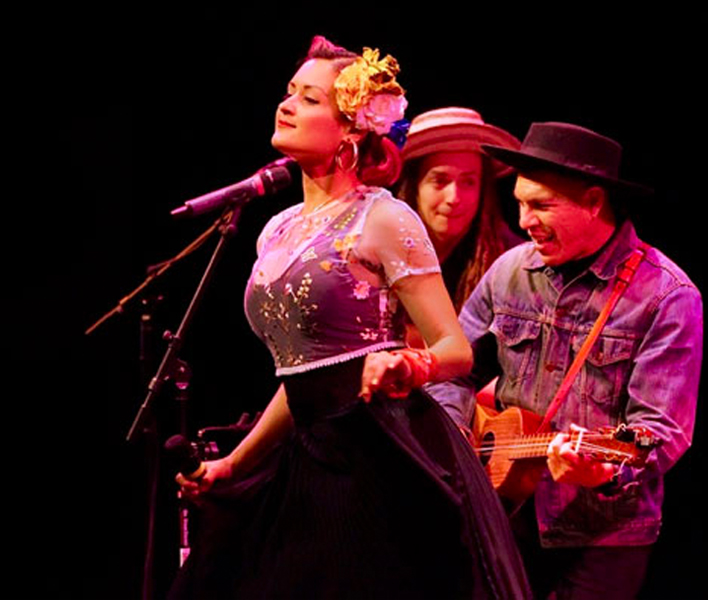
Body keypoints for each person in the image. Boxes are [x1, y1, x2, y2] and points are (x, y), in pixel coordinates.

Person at [168, 36, 531, 599]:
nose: (286, 105)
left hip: (374, 451)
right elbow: (301, 379)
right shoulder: (278, 228)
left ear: (351, 132)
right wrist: (236, 465)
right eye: (289, 92)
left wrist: (407, 366)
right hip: (307, 454)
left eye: (309, 99)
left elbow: (454, 349)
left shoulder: (384, 218)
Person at [426, 122, 703, 599]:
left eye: (540, 205)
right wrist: (458, 444)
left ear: (594, 202)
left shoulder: (667, 297)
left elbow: (659, 433)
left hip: (601, 540)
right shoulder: (510, 271)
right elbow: (455, 367)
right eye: (519, 203)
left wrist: (602, 473)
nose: (524, 220)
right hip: (503, 516)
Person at [396, 107, 523, 313]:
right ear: (413, 188)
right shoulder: (376, 250)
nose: (454, 198)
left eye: (469, 182)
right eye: (440, 181)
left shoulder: (510, 262)